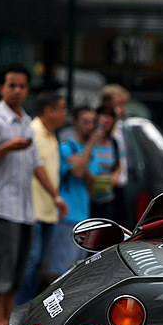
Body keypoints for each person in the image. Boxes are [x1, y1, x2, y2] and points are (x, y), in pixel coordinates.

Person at [0, 64, 67, 325]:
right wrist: (5, 148)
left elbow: (36, 164)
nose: (17, 91)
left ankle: (8, 319)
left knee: (19, 265)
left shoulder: (25, 121)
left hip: (25, 207)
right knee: (0, 263)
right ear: (1, 88)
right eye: (11, 85)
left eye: (22, 86)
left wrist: (55, 196)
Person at [15, 90, 67, 305]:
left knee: (38, 264)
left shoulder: (51, 134)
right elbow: (35, 168)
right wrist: (56, 196)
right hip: (33, 207)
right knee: (31, 260)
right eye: (62, 109)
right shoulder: (33, 131)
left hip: (48, 210)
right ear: (48, 111)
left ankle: (28, 306)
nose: (65, 114)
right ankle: (20, 306)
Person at [50, 106, 100, 281]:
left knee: (75, 273)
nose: (90, 126)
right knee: (60, 271)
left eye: (93, 122)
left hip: (83, 219)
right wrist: (89, 149)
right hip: (67, 217)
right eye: (85, 122)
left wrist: (81, 162)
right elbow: (78, 173)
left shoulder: (90, 153)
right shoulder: (66, 148)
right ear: (75, 123)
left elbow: (93, 182)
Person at [100, 83, 130, 224]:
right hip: (104, 186)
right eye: (117, 104)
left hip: (120, 185)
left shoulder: (122, 128)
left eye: (123, 105)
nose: (121, 110)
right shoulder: (102, 131)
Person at [88, 104, 121, 221]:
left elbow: (118, 166)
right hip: (88, 198)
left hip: (106, 198)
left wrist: (112, 179)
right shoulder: (87, 140)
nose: (106, 120)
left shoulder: (114, 143)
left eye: (110, 117)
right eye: (103, 115)